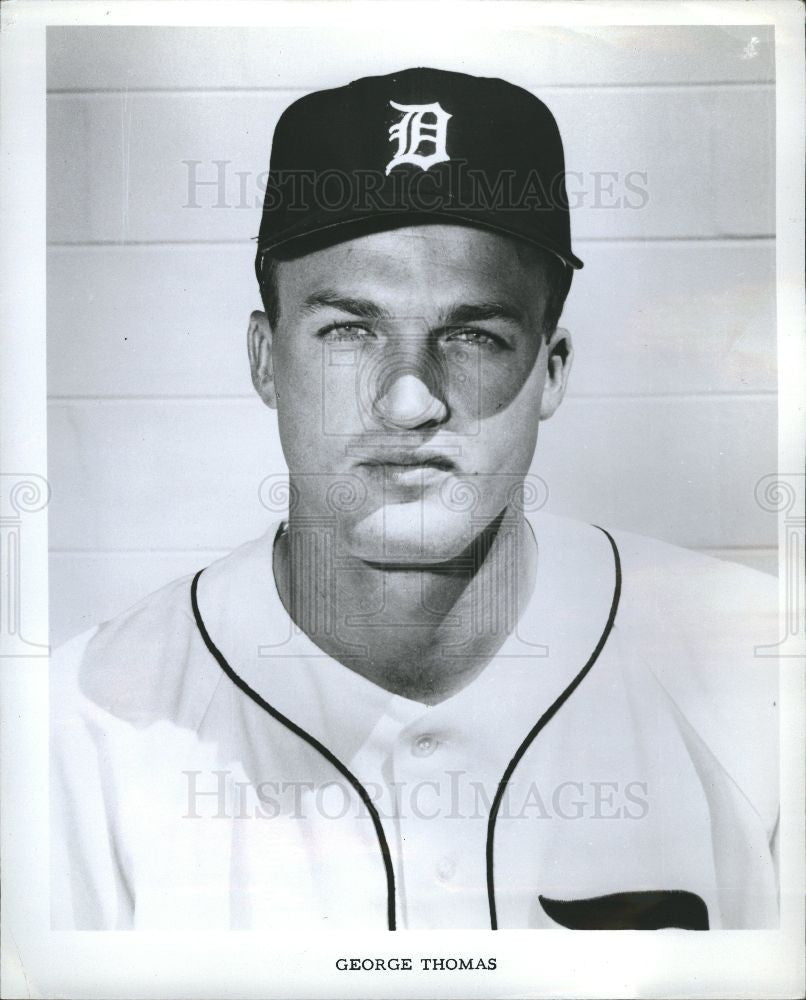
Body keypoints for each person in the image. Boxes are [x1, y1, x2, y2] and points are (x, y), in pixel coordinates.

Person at [51, 67, 778, 931]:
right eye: (349, 331)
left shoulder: (761, 673)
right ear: (263, 359)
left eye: (472, 334)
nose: (408, 400)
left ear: (551, 370)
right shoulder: (83, 723)